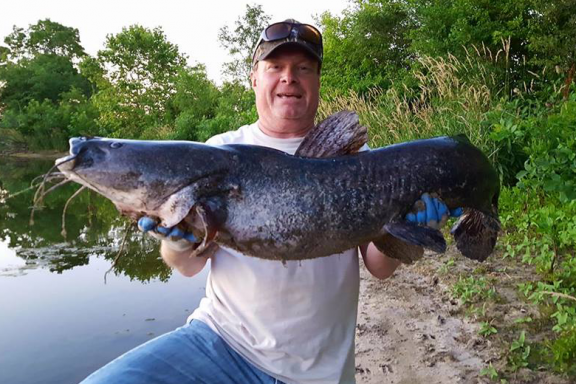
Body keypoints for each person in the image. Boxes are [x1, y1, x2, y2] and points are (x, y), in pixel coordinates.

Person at [82, 20, 460, 384]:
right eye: (275, 66)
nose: (288, 78)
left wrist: (413, 231)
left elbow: (380, 268)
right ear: (254, 78)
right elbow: (186, 267)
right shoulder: (218, 150)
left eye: (303, 68)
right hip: (220, 344)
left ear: (316, 81)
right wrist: (179, 240)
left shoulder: (355, 162)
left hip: (318, 373)